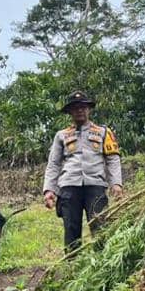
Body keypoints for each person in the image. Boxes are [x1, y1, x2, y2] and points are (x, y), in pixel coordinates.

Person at [42, 91, 123, 252]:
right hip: (69, 187)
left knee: (100, 227)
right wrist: (49, 190)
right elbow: (54, 164)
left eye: (83, 107)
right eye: (75, 108)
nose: (80, 110)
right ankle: (72, 265)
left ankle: (102, 263)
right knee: (71, 230)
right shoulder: (62, 135)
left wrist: (116, 184)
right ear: (70, 112)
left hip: (95, 186)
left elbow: (113, 159)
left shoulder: (103, 132)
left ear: (89, 109)